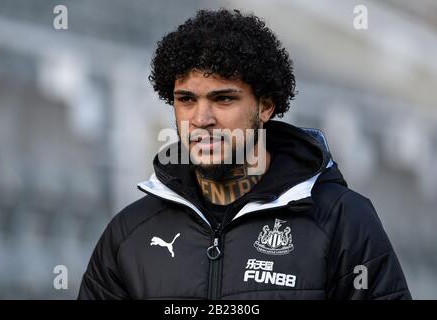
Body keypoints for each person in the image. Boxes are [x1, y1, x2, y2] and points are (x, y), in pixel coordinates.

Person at [78, 9, 411, 300]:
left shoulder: (343, 221)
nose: (201, 119)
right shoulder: (130, 233)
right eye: (187, 99)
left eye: (223, 99)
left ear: (265, 106)